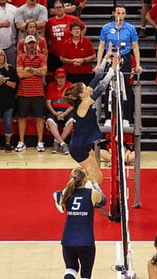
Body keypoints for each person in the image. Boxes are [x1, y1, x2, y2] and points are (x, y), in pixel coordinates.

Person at [53, 167, 105, 279]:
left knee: (71, 268)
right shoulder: (92, 194)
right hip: (86, 241)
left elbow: (56, 196)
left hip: (68, 239)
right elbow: (103, 201)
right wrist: (95, 185)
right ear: (85, 179)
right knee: (86, 274)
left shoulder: (65, 194)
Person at [60, 54, 119, 186]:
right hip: (78, 147)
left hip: (84, 143)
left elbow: (97, 78)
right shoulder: (84, 104)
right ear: (81, 94)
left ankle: (80, 191)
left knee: (93, 173)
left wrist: (106, 59)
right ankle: (69, 193)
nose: (88, 88)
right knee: (98, 178)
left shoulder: (84, 97)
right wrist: (112, 69)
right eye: (85, 88)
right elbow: (101, 87)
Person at [96, 5, 143, 123]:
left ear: (125, 14)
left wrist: (137, 64)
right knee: (108, 86)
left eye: (122, 13)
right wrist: (98, 64)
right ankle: (108, 117)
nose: (120, 16)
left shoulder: (130, 28)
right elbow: (101, 46)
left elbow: (135, 47)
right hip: (110, 58)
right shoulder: (106, 28)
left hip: (125, 58)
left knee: (125, 87)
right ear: (114, 14)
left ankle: (126, 118)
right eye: (118, 13)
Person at [15, 35, 47, 152]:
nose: (31, 45)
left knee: (39, 117)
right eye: (29, 43)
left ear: (36, 44)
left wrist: (28, 69)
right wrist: (36, 71)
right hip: (23, 92)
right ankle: (21, 141)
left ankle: (40, 141)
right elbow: (20, 74)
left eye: (33, 43)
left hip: (38, 91)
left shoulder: (42, 57)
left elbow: (43, 72)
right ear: (25, 45)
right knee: (22, 117)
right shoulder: (20, 57)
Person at [45, 0, 83, 72]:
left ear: (64, 8)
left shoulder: (72, 18)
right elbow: (46, 33)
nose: (59, 9)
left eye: (60, 7)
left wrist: (78, 39)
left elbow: (83, 27)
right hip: (55, 54)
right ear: (54, 9)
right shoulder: (50, 21)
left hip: (69, 54)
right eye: (57, 8)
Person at [45, 68, 72, 154]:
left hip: (66, 110)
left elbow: (73, 104)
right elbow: (48, 103)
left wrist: (65, 113)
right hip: (54, 110)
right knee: (49, 121)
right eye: (59, 78)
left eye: (63, 77)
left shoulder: (70, 86)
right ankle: (63, 144)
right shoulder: (51, 86)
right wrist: (54, 113)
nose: (61, 80)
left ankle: (57, 142)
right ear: (55, 78)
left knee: (72, 121)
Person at [59, 21, 96, 86]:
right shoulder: (66, 43)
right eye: (74, 29)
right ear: (71, 31)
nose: (77, 31)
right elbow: (62, 58)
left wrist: (83, 60)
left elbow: (93, 56)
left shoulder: (87, 41)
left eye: (78, 29)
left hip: (85, 74)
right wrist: (72, 61)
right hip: (70, 74)